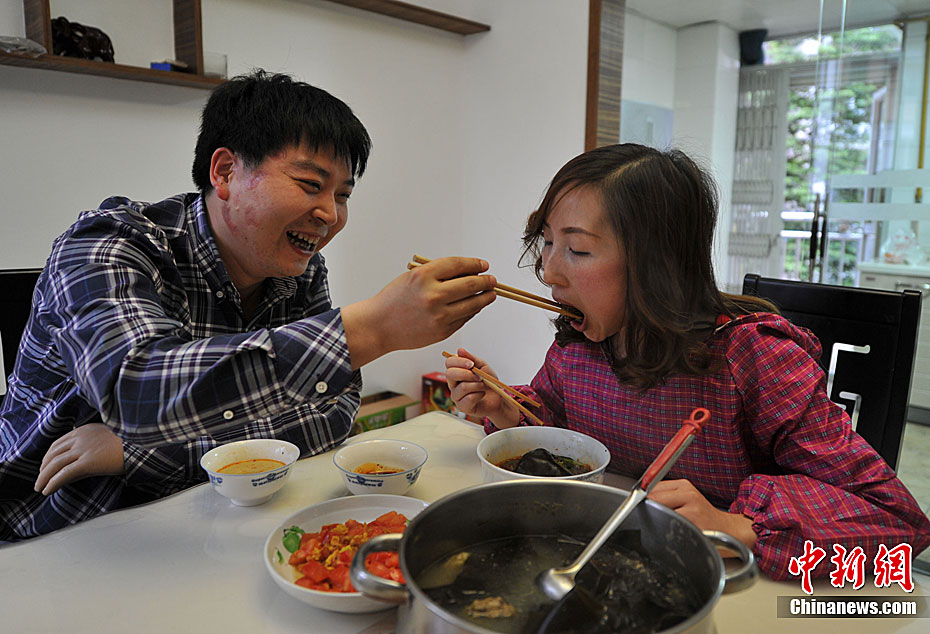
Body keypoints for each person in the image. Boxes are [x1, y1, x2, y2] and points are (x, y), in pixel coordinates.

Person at [0, 70, 497, 542]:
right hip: (57, 531)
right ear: (225, 171)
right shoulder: (109, 244)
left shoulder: (296, 273)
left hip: (213, 517)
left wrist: (135, 452)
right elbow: (136, 389)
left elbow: (333, 412)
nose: (329, 214)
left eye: (342, 195)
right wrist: (372, 329)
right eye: (310, 184)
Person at [444, 143, 930, 580]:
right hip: (614, 559)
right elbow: (561, 424)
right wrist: (505, 407)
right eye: (548, 241)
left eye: (578, 249)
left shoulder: (752, 358)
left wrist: (738, 527)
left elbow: (895, 520)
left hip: (724, 582)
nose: (549, 270)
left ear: (659, 262)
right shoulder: (582, 343)